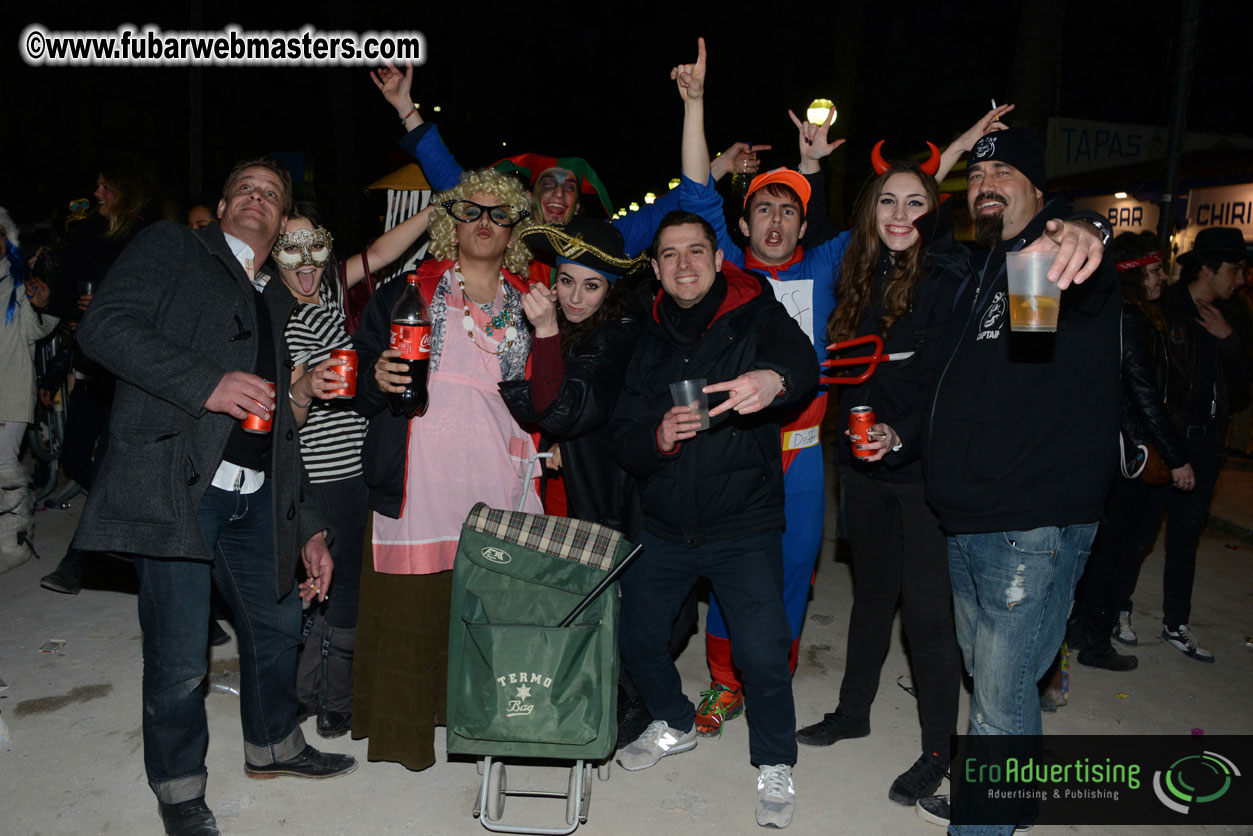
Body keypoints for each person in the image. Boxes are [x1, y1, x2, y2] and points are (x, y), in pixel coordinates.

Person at [73, 157, 355, 836]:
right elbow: (103, 328)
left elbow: (284, 426)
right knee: (177, 659)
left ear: (283, 218)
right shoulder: (172, 247)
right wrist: (208, 382)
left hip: (256, 494)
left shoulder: (277, 296)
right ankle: (178, 787)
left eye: (270, 193)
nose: (255, 198)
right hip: (176, 489)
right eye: (243, 190)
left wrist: (310, 524)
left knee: (279, 626)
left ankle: (273, 744)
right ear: (225, 207)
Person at [912, 127, 1114, 835]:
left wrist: (1085, 229)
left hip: (1028, 521)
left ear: (1037, 189)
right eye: (975, 173)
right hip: (967, 518)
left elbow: (1085, 244)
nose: (985, 183)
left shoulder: (1056, 260)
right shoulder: (980, 271)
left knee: (995, 706)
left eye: (1002, 171)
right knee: (999, 680)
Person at [610, 210, 818, 829]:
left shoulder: (758, 313)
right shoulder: (643, 338)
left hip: (741, 521)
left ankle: (776, 761)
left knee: (761, 651)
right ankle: (674, 722)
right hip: (665, 525)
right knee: (638, 636)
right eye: (670, 255)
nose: (684, 265)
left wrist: (774, 378)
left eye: (695, 251)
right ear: (654, 269)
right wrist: (657, 438)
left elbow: (804, 365)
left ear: (718, 257)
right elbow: (623, 437)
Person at [351, 167, 543, 772]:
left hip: (496, 477)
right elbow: (356, 372)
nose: (484, 223)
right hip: (420, 482)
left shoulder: (533, 303)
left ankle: (489, 733)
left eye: (499, 214)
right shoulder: (406, 292)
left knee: (490, 614)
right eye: (472, 212)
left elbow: (555, 391)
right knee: (413, 611)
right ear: (450, 223)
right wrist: (374, 380)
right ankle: (407, 738)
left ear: (515, 227)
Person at [793, 160, 962, 808]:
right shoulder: (853, 277)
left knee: (926, 617)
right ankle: (852, 710)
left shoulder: (947, 281)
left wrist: (901, 436)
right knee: (870, 595)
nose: (898, 214)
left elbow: (951, 388)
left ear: (933, 212)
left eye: (914, 203)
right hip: (860, 468)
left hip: (919, 470)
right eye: (886, 201)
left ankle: (935, 755)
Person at [270, 200, 434, 738]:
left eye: (314, 243)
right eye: (289, 246)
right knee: (338, 589)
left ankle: (308, 690)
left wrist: (439, 207)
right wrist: (303, 388)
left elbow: (385, 250)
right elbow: (283, 414)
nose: (305, 258)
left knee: (336, 583)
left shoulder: (332, 295)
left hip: (357, 465)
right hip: (317, 470)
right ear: (271, 254)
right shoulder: (268, 306)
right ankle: (330, 695)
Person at [39, 161, 174, 594]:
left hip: (131, 371)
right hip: (92, 367)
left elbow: (161, 302)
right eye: (96, 185)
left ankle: (77, 560)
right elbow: (63, 296)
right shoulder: (86, 233)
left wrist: (111, 312)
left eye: (104, 186)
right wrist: (49, 299)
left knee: (107, 463)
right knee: (75, 458)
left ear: (127, 190)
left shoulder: (149, 236)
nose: (97, 193)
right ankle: (134, 526)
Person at [1067, 233, 1192, 671]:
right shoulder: (1131, 318)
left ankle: (1083, 630)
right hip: (1130, 455)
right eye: (1156, 270)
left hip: (1114, 449)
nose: (1164, 278)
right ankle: (1096, 642)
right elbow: (1143, 391)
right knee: (1115, 551)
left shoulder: (1112, 312)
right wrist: (1175, 456)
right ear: (1136, 273)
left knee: (1106, 547)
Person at [498, 217, 647, 530]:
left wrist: (546, 329)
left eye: (591, 286)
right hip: (584, 489)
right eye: (567, 281)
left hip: (622, 506)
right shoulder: (576, 322)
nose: (576, 298)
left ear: (610, 289)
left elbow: (560, 413)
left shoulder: (621, 327)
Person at [1151, 227, 1250, 662]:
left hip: (1207, 445)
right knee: (1135, 535)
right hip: (1162, 442)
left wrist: (1228, 340)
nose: (1241, 279)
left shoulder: (1237, 316)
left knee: (1186, 539)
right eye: (1234, 269)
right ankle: (1113, 611)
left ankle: (1176, 623)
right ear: (1207, 268)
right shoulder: (1166, 308)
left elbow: (1246, 388)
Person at [0, 211, 58, 573]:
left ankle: (13, 543)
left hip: (11, 383)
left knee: (4, 466)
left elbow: (39, 330)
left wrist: (43, 305)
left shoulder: (22, 280)